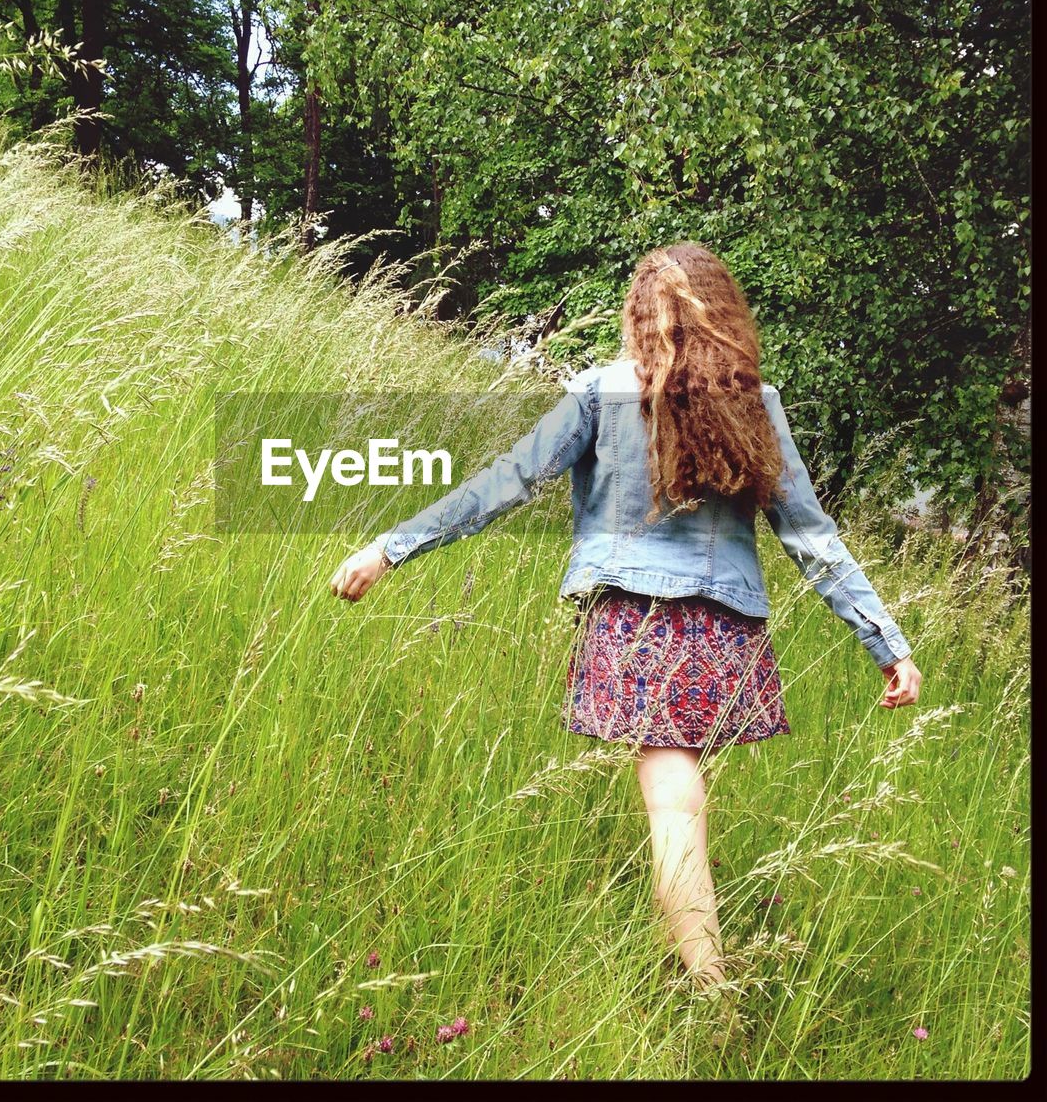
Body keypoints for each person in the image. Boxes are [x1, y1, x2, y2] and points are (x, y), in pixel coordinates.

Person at [328, 241, 923, 992]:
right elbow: (811, 533)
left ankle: (711, 986)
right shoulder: (752, 402)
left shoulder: (599, 392)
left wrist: (391, 546)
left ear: (638, 314)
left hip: (633, 627)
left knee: (673, 806)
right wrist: (885, 641)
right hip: (723, 633)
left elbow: (506, 481)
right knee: (683, 799)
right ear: (723, 315)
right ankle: (694, 952)